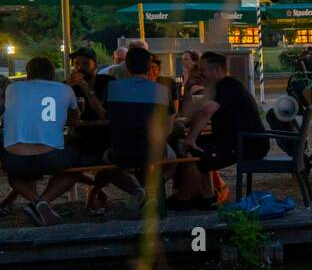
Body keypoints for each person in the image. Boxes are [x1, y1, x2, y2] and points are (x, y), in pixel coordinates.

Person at [169, 51, 269, 209]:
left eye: (203, 69)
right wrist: (188, 91)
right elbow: (188, 114)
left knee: (191, 152)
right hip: (234, 139)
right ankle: (207, 196)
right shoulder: (216, 88)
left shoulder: (229, 85)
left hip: (248, 143)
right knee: (196, 146)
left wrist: (191, 138)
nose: (200, 73)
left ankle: (184, 198)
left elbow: (206, 111)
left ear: (216, 70)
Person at [1, 57, 88, 226]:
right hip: (50, 156)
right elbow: (75, 119)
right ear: (53, 73)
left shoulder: (12, 89)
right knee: (76, 167)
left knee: (14, 175)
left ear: (28, 74)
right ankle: (43, 202)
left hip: (14, 157)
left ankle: (36, 201)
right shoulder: (65, 89)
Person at [95, 46, 174, 214]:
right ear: (149, 66)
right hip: (154, 152)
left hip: (121, 151)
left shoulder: (113, 87)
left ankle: (137, 190)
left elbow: (104, 115)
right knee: (175, 159)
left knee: (106, 163)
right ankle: (150, 190)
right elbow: (169, 127)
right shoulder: (162, 90)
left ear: (127, 66)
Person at [66, 47, 113, 160]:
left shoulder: (107, 82)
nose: (80, 68)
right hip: (77, 138)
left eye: (86, 64)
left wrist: (87, 89)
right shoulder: (68, 86)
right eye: (76, 64)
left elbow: (104, 115)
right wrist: (65, 90)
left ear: (95, 65)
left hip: (104, 137)